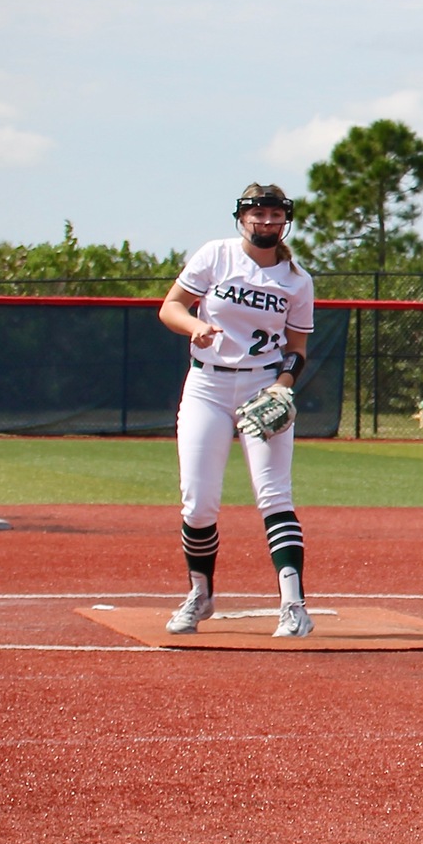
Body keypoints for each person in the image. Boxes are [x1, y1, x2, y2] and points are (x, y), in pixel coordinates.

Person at [157, 184, 318, 639]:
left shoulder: (296, 280)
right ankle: (200, 593)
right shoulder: (216, 255)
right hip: (206, 383)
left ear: (284, 221)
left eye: (274, 215)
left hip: (261, 384)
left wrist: (283, 388)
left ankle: (293, 606)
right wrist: (195, 325)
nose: (266, 222)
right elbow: (170, 307)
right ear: (242, 218)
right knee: (198, 499)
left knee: (273, 495)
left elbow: (297, 347)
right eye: (258, 214)